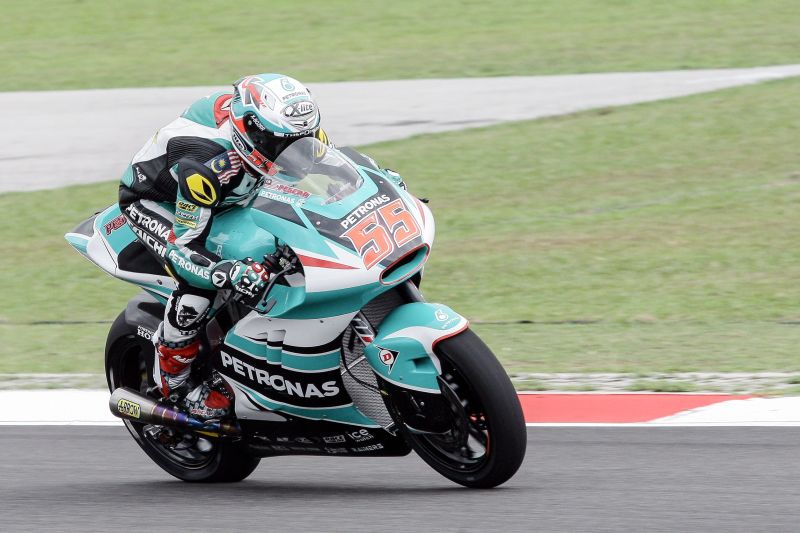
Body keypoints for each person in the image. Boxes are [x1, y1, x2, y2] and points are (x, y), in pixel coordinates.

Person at [118, 73, 329, 420]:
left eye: (302, 138)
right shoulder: (204, 165)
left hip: (234, 194)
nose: (293, 150)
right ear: (253, 131)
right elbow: (186, 248)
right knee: (200, 287)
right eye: (281, 143)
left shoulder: (292, 131)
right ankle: (177, 384)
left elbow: (327, 169)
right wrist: (226, 270)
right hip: (161, 204)